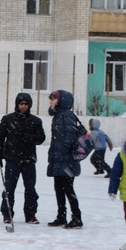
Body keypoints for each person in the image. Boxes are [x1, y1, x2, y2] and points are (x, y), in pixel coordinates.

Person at [0, 93, 46, 225]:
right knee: (9, 188)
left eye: (26, 104)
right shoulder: (8, 120)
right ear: (17, 105)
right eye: (21, 104)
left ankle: (30, 214)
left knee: (30, 188)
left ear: (29, 105)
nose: (23, 106)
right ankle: (7, 213)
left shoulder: (35, 121)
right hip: (12, 159)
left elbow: (41, 138)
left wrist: (27, 136)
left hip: (28, 160)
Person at [46, 90, 83, 228]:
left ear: (61, 101)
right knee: (59, 188)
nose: (51, 101)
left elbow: (71, 137)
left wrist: (62, 151)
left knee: (68, 188)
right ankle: (61, 216)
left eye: (53, 99)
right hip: (59, 158)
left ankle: (77, 217)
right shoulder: (58, 115)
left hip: (67, 160)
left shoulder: (67, 116)